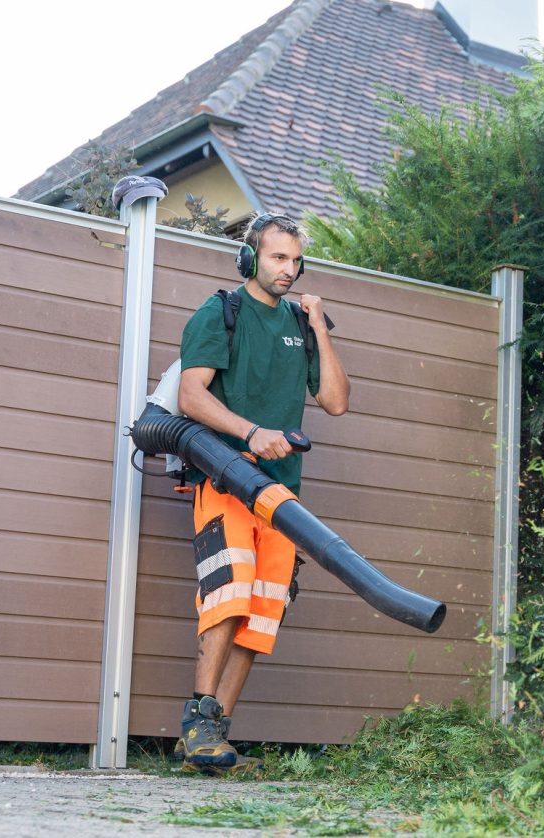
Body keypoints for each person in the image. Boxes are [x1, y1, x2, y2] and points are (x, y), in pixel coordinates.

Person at [172, 213, 350, 774]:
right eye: (278, 258)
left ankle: (213, 737)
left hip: (282, 495)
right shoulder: (219, 313)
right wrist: (250, 433)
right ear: (250, 259)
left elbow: (336, 402)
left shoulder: (300, 323)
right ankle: (197, 721)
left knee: (264, 609)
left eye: (296, 261)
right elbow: (189, 396)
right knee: (230, 591)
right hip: (226, 478)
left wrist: (319, 325)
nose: (289, 270)